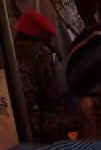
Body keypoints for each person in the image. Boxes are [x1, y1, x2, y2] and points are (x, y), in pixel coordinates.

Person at [14, 10, 93, 142]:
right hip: (34, 130)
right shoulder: (41, 54)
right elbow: (54, 101)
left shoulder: (8, 51)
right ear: (42, 37)